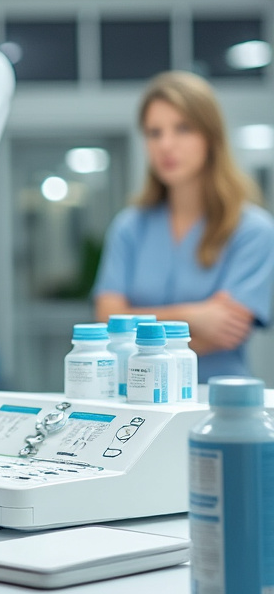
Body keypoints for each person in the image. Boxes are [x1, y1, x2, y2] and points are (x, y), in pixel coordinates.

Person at [94, 70, 274, 381]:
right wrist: (194, 316)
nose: (166, 144)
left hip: (217, 402)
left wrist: (132, 326)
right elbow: (106, 321)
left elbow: (224, 331)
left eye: (183, 129)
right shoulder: (129, 227)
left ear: (211, 137)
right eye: (154, 132)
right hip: (137, 401)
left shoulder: (253, 231)